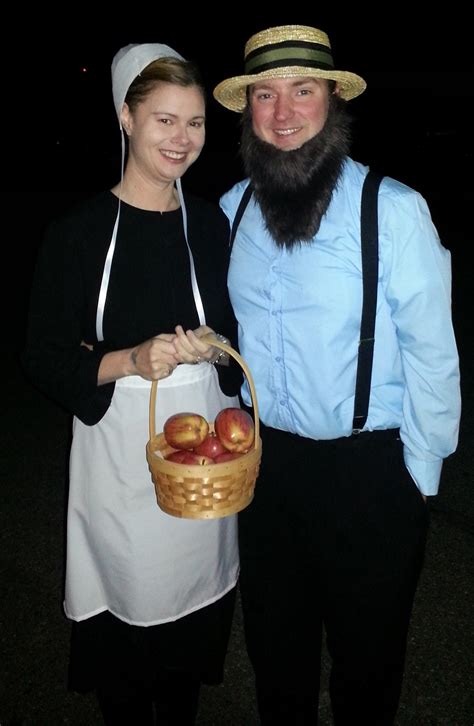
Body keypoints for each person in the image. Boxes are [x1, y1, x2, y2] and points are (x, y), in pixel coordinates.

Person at [213, 24, 461, 725]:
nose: (283, 112)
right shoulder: (230, 212)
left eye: (302, 90)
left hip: (370, 475)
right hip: (267, 474)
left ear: (331, 101)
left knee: (368, 666)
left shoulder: (396, 210)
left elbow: (434, 356)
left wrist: (418, 477)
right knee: (275, 656)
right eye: (265, 93)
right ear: (248, 109)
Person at [23, 42, 243, 725]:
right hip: (120, 477)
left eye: (196, 123)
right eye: (164, 120)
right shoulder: (79, 233)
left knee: (183, 671)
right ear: (126, 116)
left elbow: (239, 343)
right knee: (125, 673)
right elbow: (43, 356)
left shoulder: (210, 225)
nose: (183, 139)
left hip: (203, 476)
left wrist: (219, 351)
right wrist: (129, 359)